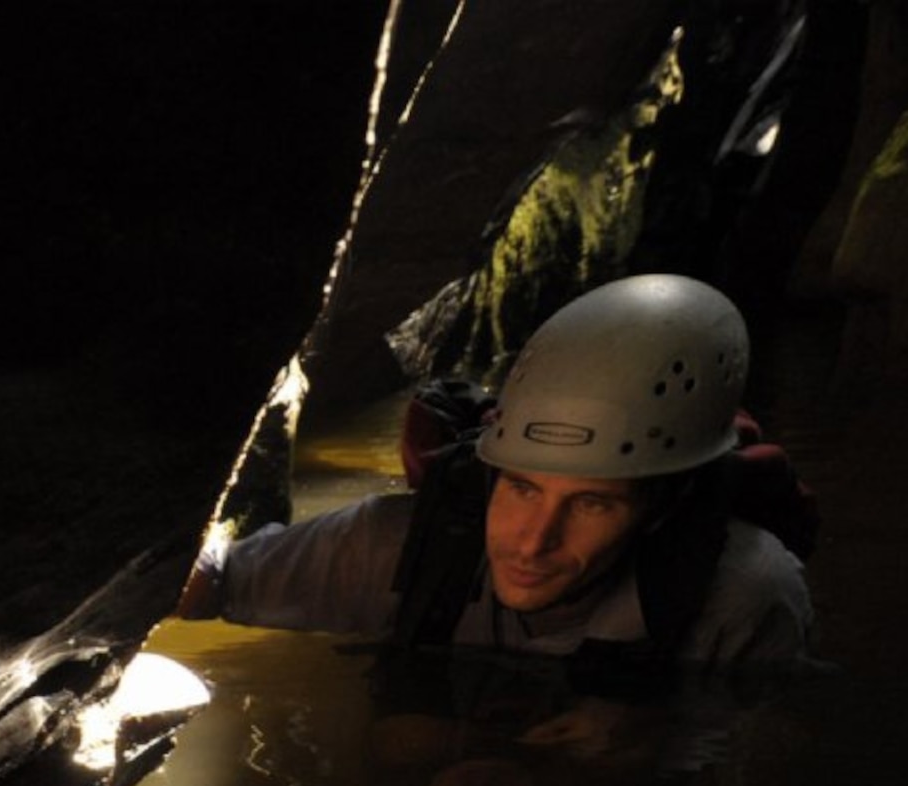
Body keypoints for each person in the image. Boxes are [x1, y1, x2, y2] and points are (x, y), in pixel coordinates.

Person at [177, 274, 813, 671]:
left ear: (664, 505)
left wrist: (637, 744)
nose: (534, 540)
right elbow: (214, 579)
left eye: (594, 504)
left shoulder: (742, 598)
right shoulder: (399, 545)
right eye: (521, 487)